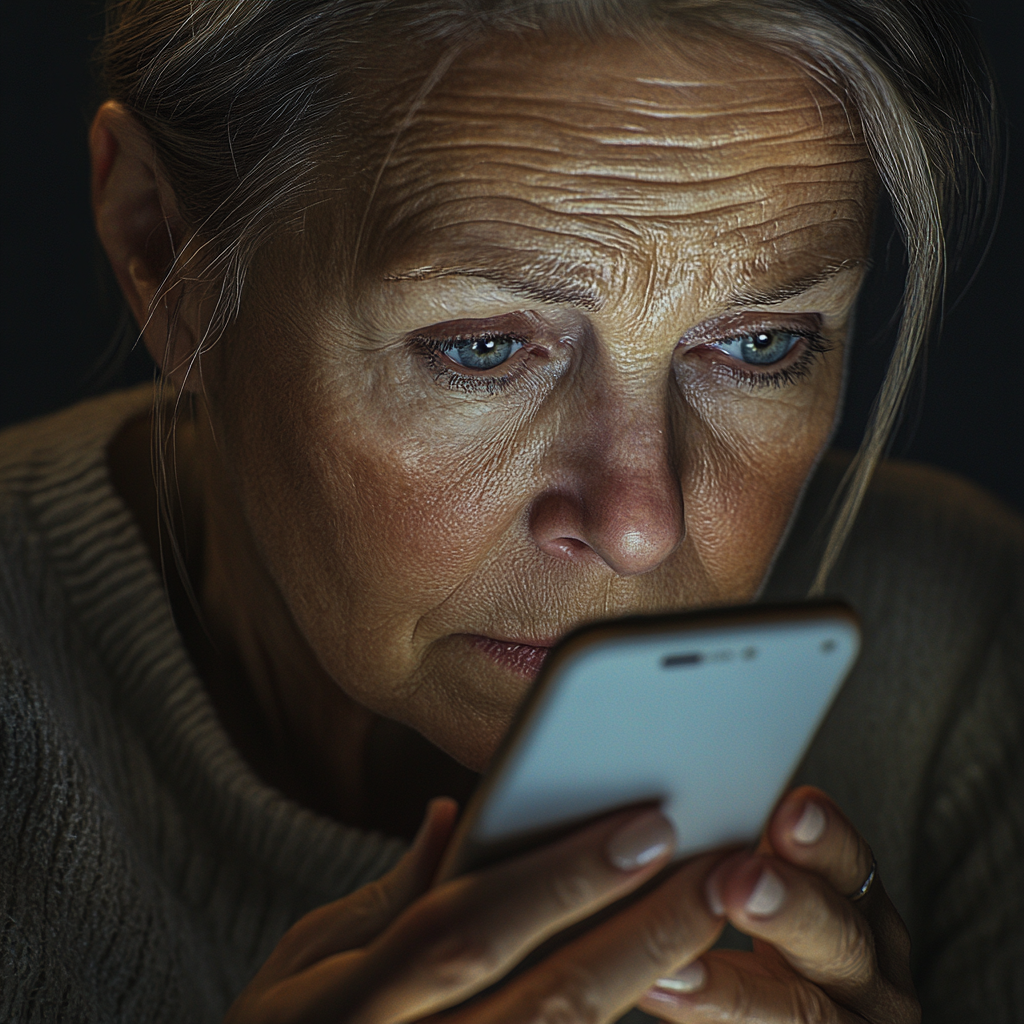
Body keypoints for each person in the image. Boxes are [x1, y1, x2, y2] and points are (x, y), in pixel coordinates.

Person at [1, 1, 1020, 1022]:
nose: (637, 525)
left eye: (759, 346)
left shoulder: (964, 652)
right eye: (481, 347)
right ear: (163, 248)